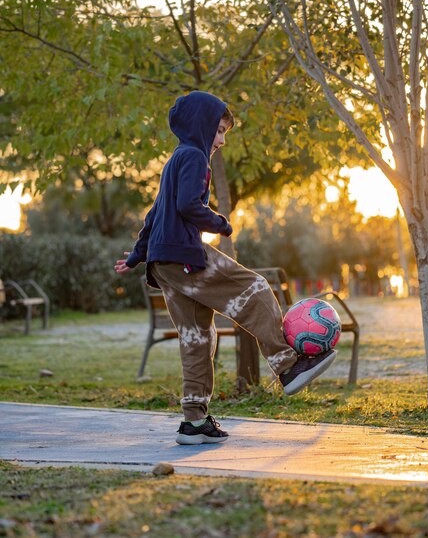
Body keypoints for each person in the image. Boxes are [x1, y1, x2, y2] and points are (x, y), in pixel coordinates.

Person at [115, 91, 336, 445]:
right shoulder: (194, 157)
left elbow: (155, 213)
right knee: (255, 288)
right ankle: (288, 366)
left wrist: (138, 255)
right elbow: (188, 205)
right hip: (184, 255)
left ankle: (194, 421)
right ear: (202, 126)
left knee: (197, 336)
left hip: (163, 263)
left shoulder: (176, 158)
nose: (222, 140)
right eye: (219, 130)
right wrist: (221, 223)